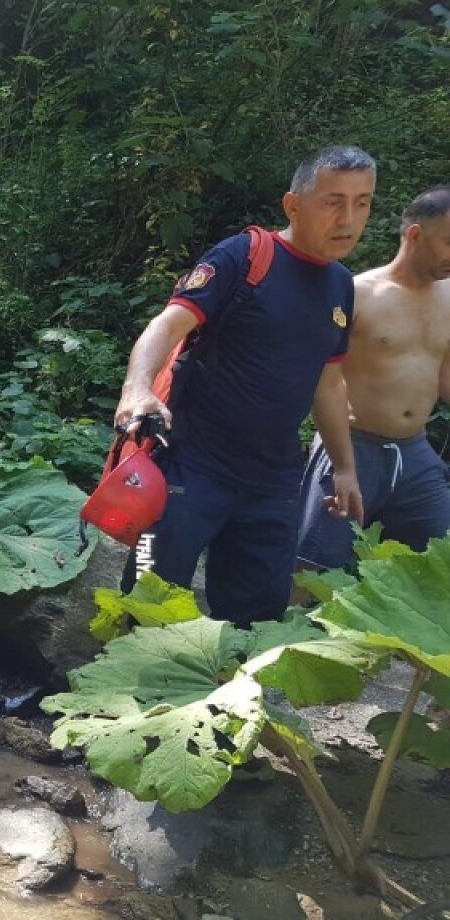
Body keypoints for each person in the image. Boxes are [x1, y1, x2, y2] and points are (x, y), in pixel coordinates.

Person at [113, 145, 376, 625]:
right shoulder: (246, 256)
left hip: (273, 482)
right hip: (190, 464)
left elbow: (329, 383)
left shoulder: (341, 286)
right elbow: (167, 325)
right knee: (147, 593)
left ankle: (225, 697)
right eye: (333, 201)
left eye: (362, 203)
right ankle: (120, 689)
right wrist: (137, 388)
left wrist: (344, 466)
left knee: (257, 618)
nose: (348, 218)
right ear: (292, 205)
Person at [298, 185, 450, 567]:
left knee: (438, 565)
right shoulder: (358, 293)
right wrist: (343, 464)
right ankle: (287, 628)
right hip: (352, 447)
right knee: (316, 568)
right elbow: (321, 382)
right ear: (416, 234)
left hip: (416, 453)